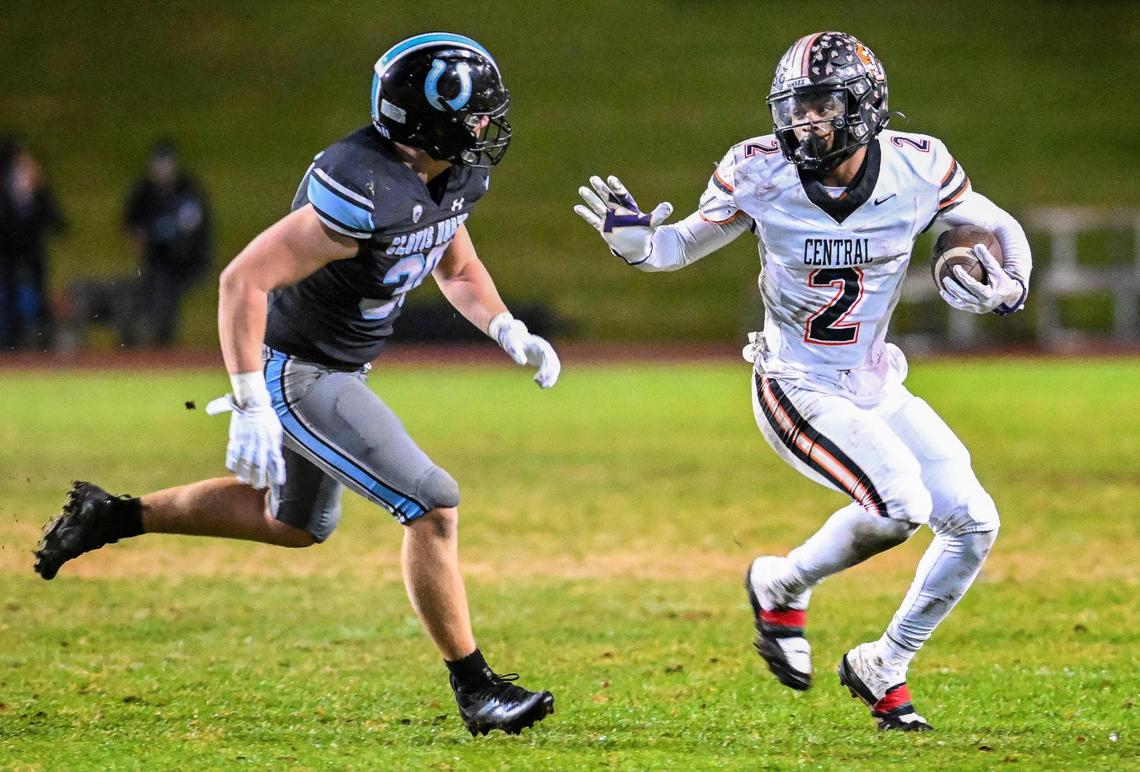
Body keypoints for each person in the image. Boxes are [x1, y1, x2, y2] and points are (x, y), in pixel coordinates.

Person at [35, 32, 560, 737]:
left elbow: (455, 265)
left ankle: (114, 514)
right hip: (300, 370)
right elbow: (242, 280)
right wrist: (252, 397)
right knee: (433, 505)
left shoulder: (443, 175)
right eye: (475, 117)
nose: (488, 128)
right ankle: (476, 688)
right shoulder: (363, 184)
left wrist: (506, 328)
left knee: (294, 523)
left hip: (337, 364)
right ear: (427, 120)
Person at [575, 31, 1030, 732]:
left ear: (864, 105)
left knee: (974, 524)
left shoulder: (920, 166)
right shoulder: (758, 169)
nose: (805, 123)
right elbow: (680, 245)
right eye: (795, 109)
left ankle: (885, 662)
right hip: (795, 382)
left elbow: (992, 224)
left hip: (875, 380)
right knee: (900, 504)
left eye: (822, 107)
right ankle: (781, 581)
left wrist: (1010, 285)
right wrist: (641, 250)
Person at [122, 139, 213, 346]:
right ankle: (150, 340)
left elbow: (194, 225)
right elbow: (130, 221)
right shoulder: (145, 190)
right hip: (155, 259)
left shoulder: (187, 189)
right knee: (151, 296)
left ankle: (163, 344)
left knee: (166, 297)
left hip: (182, 259)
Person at [0, 137, 66, 350]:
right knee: (8, 297)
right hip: (7, 251)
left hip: (32, 251)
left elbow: (57, 221)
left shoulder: (38, 190)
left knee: (39, 295)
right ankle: (10, 343)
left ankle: (40, 341)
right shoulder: (5, 189)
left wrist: (39, 191)